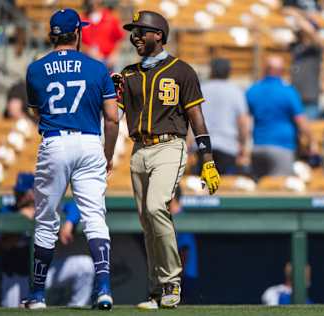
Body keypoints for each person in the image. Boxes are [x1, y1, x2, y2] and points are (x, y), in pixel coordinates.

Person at [115, 10, 221, 308]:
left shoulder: (182, 71)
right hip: (138, 150)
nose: (135, 36)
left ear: (158, 35)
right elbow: (114, 117)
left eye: (141, 31)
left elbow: (196, 117)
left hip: (170, 146)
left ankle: (172, 280)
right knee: (147, 223)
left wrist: (208, 159)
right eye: (133, 32)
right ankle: (155, 291)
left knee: (155, 206)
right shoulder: (128, 73)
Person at [23, 8, 119, 310]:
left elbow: (37, 111)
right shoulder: (97, 67)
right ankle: (103, 289)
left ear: (53, 35)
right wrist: (108, 153)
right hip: (90, 142)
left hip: (55, 142)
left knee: (46, 219)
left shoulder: (36, 69)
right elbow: (113, 118)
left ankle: (37, 295)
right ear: (77, 33)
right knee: (94, 218)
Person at [0, 173, 94, 307]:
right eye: (16, 192)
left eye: (21, 193)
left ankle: (75, 308)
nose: (17, 196)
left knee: (85, 266)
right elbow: (2, 244)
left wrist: (69, 223)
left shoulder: (46, 207)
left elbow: (75, 206)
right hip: (17, 277)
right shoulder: (8, 210)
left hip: (45, 272)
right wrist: (22, 222)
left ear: (33, 192)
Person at [246, 55, 316, 180]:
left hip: (257, 148)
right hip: (282, 148)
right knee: (279, 191)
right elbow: (301, 122)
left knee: (260, 190)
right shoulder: (288, 92)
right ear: (280, 71)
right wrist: (312, 142)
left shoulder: (252, 90)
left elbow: (245, 121)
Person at [196, 58, 250, 175]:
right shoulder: (236, 91)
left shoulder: (201, 89)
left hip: (204, 146)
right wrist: (244, 145)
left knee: (204, 187)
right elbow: (243, 122)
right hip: (227, 146)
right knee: (224, 187)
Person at [285, 7, 323, 119]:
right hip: (294, 96)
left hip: (309, 98)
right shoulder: (297, 47)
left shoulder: (316, 48)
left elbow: (312, 33)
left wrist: (298, 16)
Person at [169, 186, 199, 305]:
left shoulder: (181, 218)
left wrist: (176, 280)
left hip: (186, 278)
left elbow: (184, 252)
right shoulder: (170, 218)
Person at [80, 0, 124, 70]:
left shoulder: (111, 18)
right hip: (88, 62)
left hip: (108, 62)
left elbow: (119, 38)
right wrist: (88, 51)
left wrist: (114, 54)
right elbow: (78, 41)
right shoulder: (82, 19)